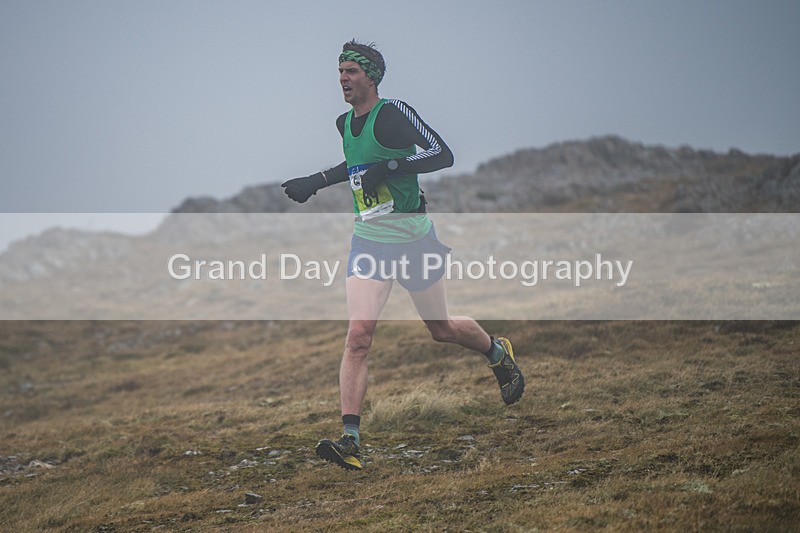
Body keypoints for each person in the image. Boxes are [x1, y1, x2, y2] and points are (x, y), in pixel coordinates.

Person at [281, 40, 524, 471]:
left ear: (371, 76)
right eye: (340, 72)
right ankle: (350, 439)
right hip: (370, 240)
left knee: (442, 328)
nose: (343, 79)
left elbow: (441, 154)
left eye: (351, 71)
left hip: (414, 238)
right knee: (358, 337)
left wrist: (390, 168)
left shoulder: (393, 112)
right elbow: (354, 167)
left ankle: (496, 352)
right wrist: (314, 181)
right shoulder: (344, 123)